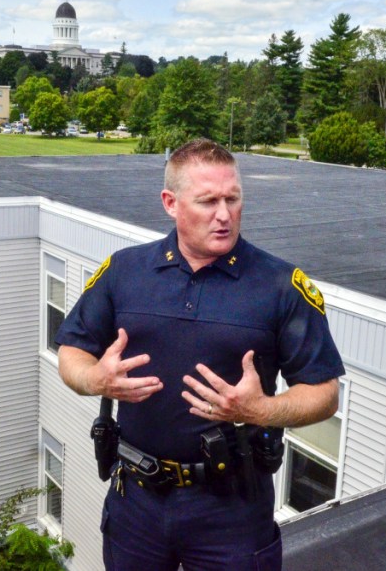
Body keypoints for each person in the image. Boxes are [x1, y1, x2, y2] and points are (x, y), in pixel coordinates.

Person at [55, 138, 344, 571]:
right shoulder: (124, 271)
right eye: (208, 201)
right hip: (136, 500)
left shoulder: (281, 286)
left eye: (233, 198)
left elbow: (324, 393)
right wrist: (95, 380)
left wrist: (262, 409)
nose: (225, 214)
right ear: (170, 203)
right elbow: (71, 353)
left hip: (232, 508)